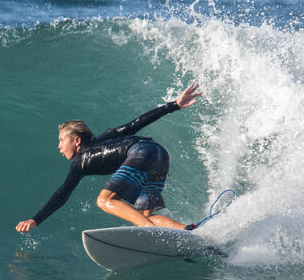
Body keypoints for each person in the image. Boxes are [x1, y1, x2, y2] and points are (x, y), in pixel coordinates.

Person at [15, 82, 203, 234]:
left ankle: (151, 232)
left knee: (104, 200)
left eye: (62, 140)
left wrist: (35, 219)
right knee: (142, 215)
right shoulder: (106, 137)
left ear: (77, 140)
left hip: (141, 153)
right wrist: (174, 105)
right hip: (159, 154)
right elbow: (136, 123)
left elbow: (62, 194)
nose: (59, 147)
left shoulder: (80, 162)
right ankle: (189, 232)